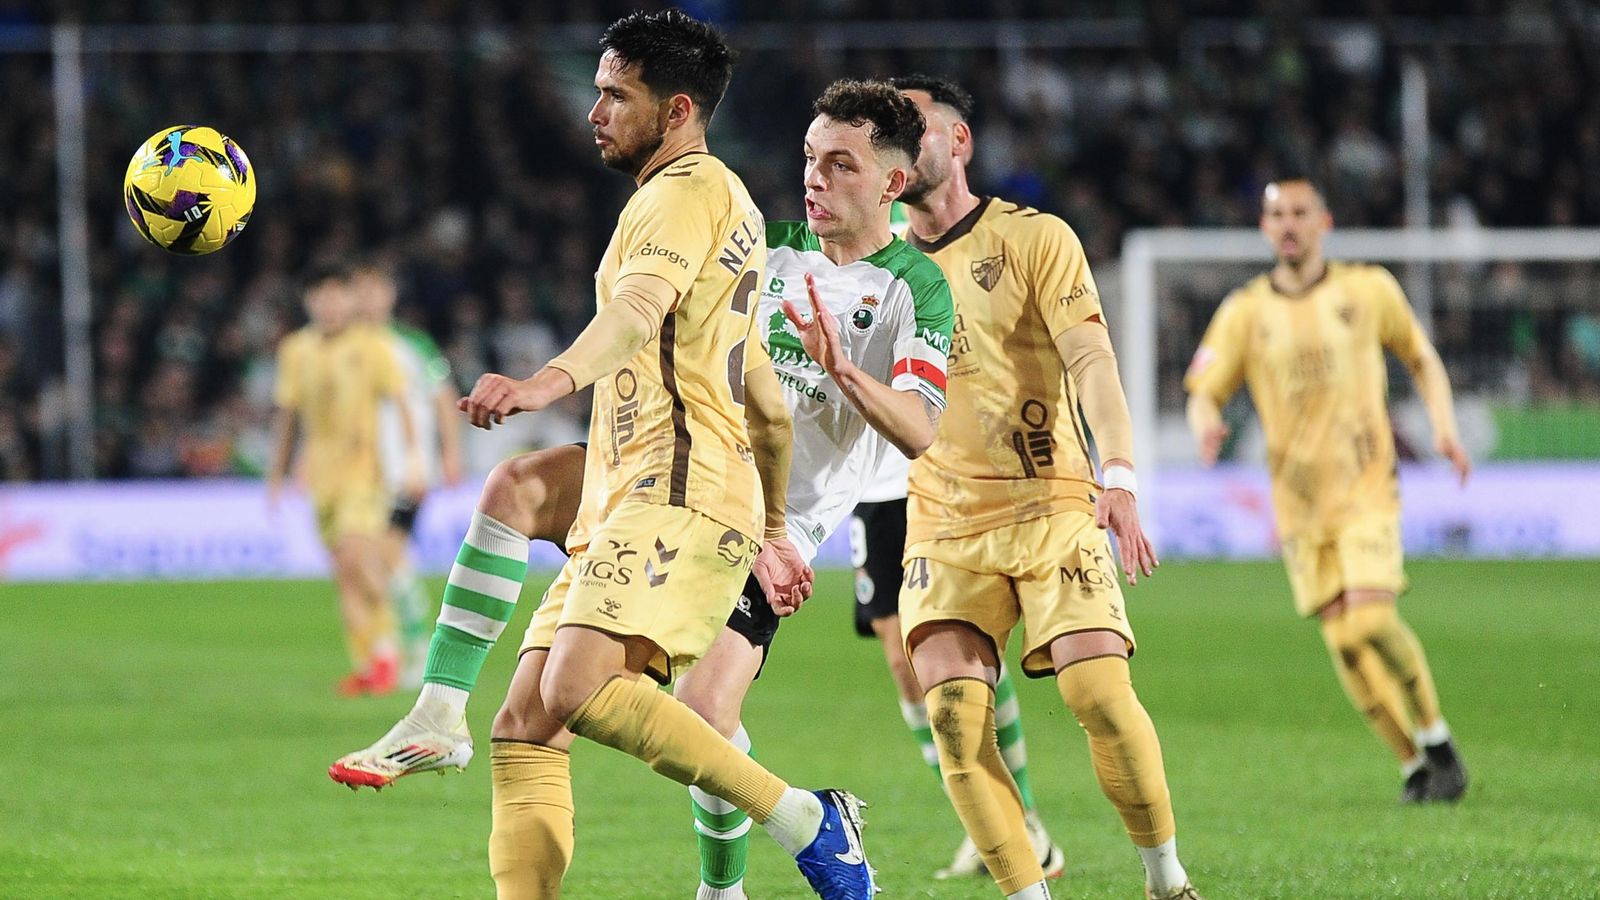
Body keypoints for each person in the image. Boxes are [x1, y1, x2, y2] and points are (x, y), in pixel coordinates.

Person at [332, 75, 944, 900]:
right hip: (667, 466)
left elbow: (918, 428)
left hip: (766, 513)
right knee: (517, 520)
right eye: (808, 158)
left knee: (696, 716)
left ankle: (734, 879)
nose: (815, 177)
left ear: (892, 183)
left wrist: (838, 378)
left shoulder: (916, 288)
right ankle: (441, 711)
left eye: (840, 164)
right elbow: (732, 370)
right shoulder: (765, 245)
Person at [890, 74, 1202, 900]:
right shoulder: (869, 257)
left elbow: (1092, 360)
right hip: (941, 520)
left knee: (1097, 692)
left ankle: (1165, 879)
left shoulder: (1034, 238)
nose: (894, 141)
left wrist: (1120, 475)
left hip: (1050, 499)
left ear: (958, 141)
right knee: (956, 725)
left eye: (911, 125)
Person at [1184, 177, 1470, 804]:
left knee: (1370, 618)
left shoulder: (1367, 289)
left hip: (1367, 486)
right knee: (1342, 640)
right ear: (1265, 228)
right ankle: (1415, 767)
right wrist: (1205, 422)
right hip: (1299, 503)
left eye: (1300, 214)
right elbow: (1204, 389)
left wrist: (1444, 428)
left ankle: (1439, 737)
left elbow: (1420, 357)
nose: (1288, 224)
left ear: (1324, 223)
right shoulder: (1244, 312)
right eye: (1277, 214)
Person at [850, 204, 1064, 881]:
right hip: (870, 479)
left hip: (933, 475)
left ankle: (1023, 820)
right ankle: (984, 820)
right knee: (897, 657)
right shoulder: (832, 233)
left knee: (961, 652)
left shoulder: (928, 232)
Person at [267, 262, 424, 696]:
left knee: (358, 557)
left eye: (338, 293)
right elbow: (289, 419)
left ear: (349, 300)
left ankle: (393, 647)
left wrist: (412, 458)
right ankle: (368, 661)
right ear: (309, 301)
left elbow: (402, 404)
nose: (330, 303)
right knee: (345, 573)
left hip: (363, 475)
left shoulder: (372, 347)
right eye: (321, 294)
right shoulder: (296, 350)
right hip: (321, 478)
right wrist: (276, 474)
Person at [351, 261, 464, 689]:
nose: (367, 299)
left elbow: (442, 398)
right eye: (359, 290)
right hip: (361, 472)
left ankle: (415, 647)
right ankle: (394, 648)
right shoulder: (347, 347)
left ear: (390, 295)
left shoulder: (412, 344)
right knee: (371, 561)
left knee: (388, 554)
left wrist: (448, 454)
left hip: (407, 466)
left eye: (375, 289)